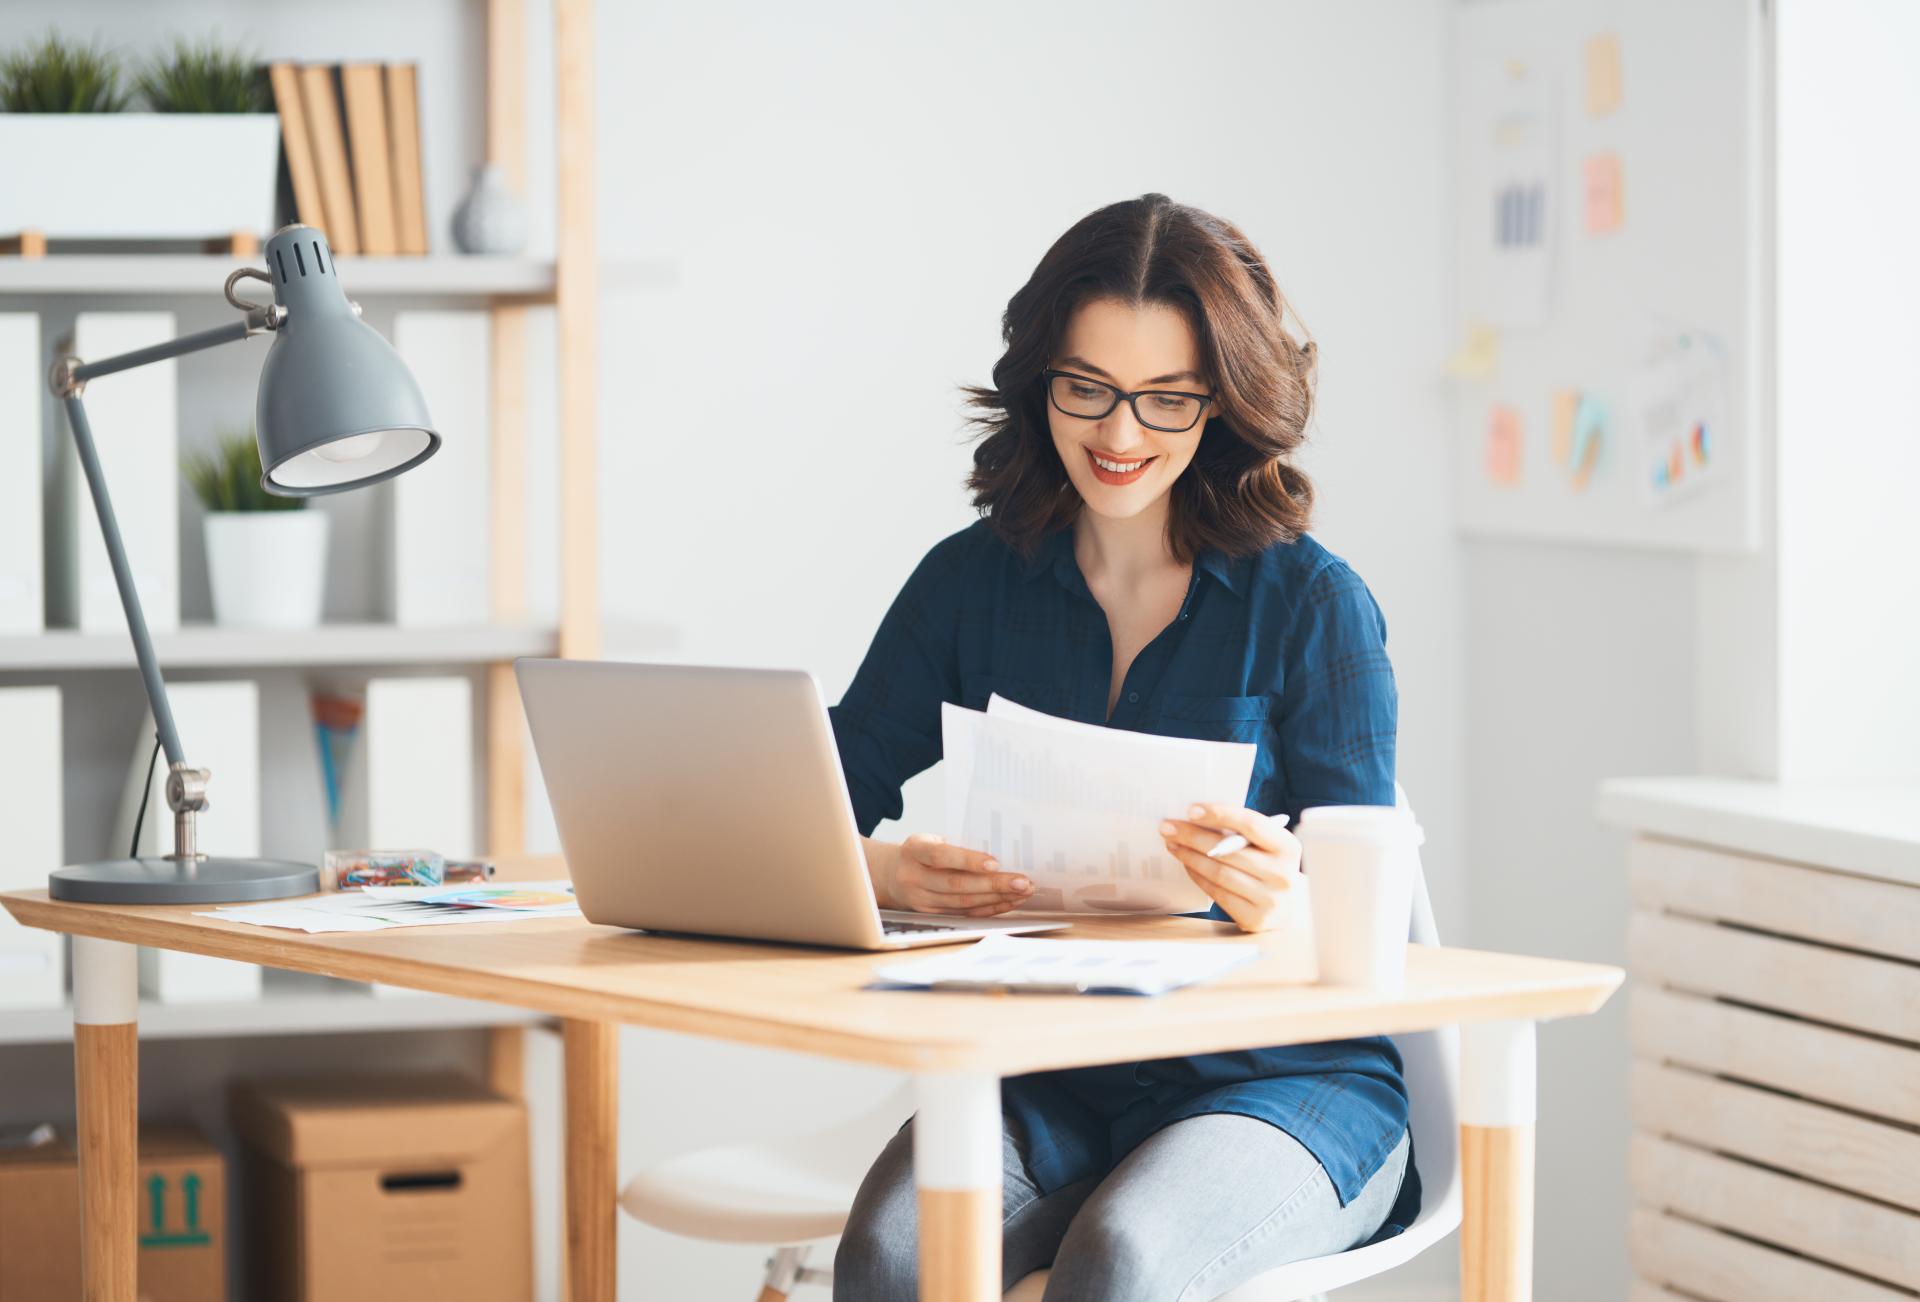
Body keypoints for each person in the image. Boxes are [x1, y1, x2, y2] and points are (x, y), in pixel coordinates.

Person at [828, 193, 1417, 1302]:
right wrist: (891, 872)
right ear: (1039, 379)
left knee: (1122, 1262)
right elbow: (808, 803)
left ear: (1225, 404)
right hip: (1054, 1070)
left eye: (1167, 399)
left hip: (1287, 1083)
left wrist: (1278, 897)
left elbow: (1364, 934)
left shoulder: (1313, 604)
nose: (1120, 434)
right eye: (1087, 388)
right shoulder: (971, 582)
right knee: (892, 1258)